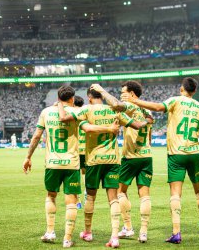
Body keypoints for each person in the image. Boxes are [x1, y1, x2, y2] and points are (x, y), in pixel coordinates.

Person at [22, 85, 119, 248]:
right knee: (71, 202)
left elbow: (37, 136)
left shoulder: (46, 112)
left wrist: (28, 157)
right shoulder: (75, 113)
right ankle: (67, 238)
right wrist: (109, 128)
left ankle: (50, 231)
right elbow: (88, 128)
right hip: (72, 164)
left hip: (52, 163)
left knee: (51, 196)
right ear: (72, 98)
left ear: (58, 97)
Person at [121, 77, 199, 244]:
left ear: (181, 89)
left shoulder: (175, 101)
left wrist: (136, 100)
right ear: (195, 91)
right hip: (195, 153)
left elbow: (157, 107)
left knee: (176, 194)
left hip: (177, 154)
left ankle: (176, 232)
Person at [58, 87, 148, 248]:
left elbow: (64, 118)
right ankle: (114, 237)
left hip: (94, 160)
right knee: (113, 198)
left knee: (91, 197)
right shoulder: (114, 110)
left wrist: (59, 104)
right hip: (113, 160)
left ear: (89, 97)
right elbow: (138, 125)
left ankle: (88, 232)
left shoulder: (86, 109)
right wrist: (148, 120)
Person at [90, 81, 153, 243]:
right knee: (144, 195)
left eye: (123, 92)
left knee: (120, 192)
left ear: (132, 94)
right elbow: (149, 136)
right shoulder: (146, 110)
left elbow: (117, 105)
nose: (121, 94)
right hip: (146, 156)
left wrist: (101, 91)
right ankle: (144, 232)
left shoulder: (130, 106)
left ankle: (128, 227)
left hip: (130, 157)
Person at [74, 95, 86, 209]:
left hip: (75, 151)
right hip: (87, 150)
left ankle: (77, 200)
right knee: (86, 173)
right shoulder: (86, 114)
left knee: (76, 175)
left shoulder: (71, 115)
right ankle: (87, 193)